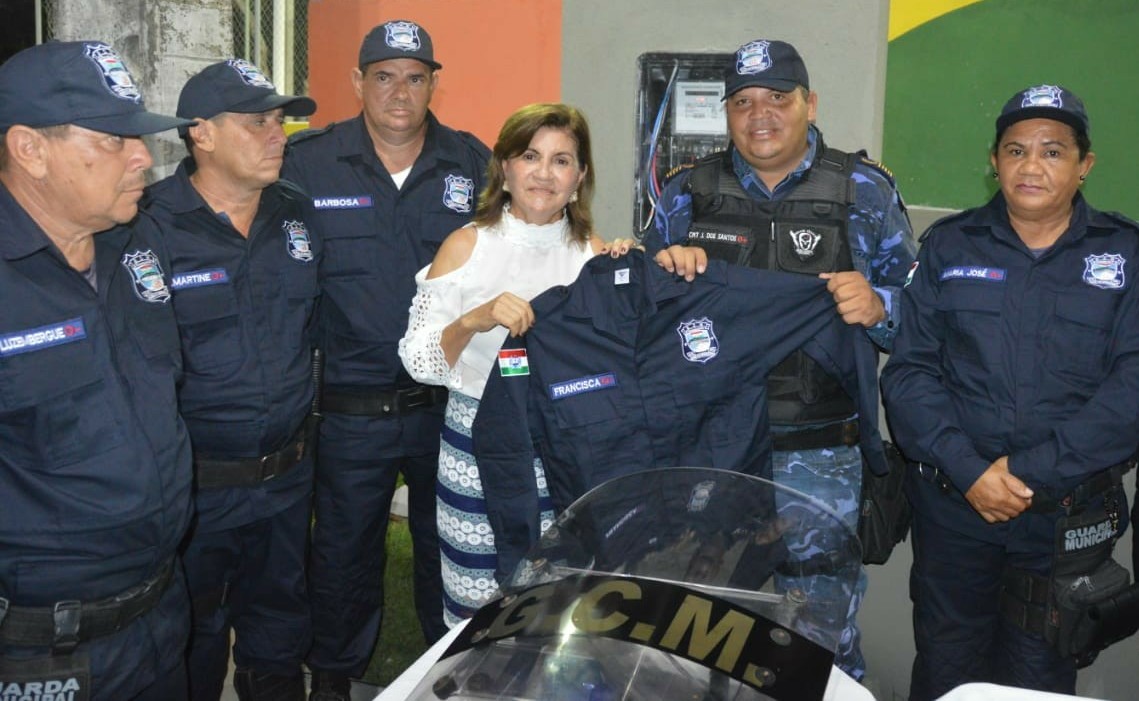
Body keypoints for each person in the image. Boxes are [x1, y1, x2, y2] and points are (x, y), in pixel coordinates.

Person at [641, 38, 916, 679]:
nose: (759, 114)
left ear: (809, 103)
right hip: (709, 449)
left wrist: (879, 306)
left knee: (819, 635)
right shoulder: (687, 193)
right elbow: (641, 317)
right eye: (742, 102)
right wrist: (664, 273)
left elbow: (924, 316)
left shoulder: (864, 192)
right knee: (700, 626)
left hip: (819, 455)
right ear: (726, 113)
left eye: (777, 97)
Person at [881, 85, 1138, 698]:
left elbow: (1131, 391)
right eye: (1016, 150)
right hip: (956, 511)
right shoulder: (949, 245)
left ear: (1084, 165)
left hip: (1062, 517)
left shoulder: (1125, 254)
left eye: (1053, 151)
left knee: (1038, 679)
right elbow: (909, 375)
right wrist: (971, 473)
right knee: (946, 669)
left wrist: (1024, 474)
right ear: (993, 161)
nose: (1031, 166)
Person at [281, 19, 491, 700]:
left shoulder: (472, 163)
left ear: (433, 84)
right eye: (383, 76)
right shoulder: (308, 163)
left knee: (448, 548)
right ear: (358, 82)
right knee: (342, 555)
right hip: (348, 410)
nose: (400, 92)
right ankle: (332, 677)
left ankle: (444, 673)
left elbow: (524, 238)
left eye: (414, 77)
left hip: (445, 406)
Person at [0, 41, 194, 700]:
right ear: (30, 149)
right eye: (114, 139)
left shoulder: (135, 244)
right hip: (44, 652)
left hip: (160, 613)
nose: (143, 156)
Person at [398, 103, 632, 626]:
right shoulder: (466, 246)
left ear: (580, 177)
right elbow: (418, 362)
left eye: (561, 160)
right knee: (479, 610)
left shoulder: (596, 257)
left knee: (560, 608)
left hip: (565, 455)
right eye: (530, 156)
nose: (544, 173)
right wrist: (474, 319)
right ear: (504, 167)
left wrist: (629, 276)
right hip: (476, 456)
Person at [142, 59, 320, 701]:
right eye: (256, 123)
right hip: (198, 494)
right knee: (193, 638)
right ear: (202, 133)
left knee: (280, 637)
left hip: (286, 481)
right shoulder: (146, 226)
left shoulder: (295, 213)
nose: (277, 135)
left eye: (279, 121)